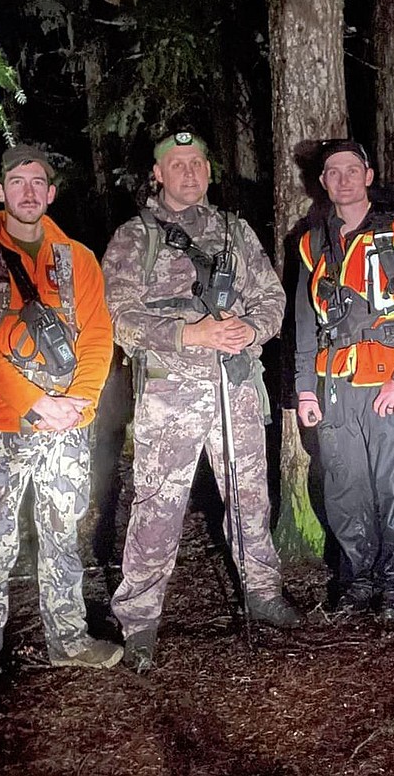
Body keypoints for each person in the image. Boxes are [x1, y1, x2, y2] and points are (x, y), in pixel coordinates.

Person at [102, 130, 300, 672]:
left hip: (236, 385)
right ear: (158, 174)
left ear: (208, 172)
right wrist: (192, 336)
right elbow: (118, 317)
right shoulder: (134, 238)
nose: (189, 173)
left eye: (197, 163)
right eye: (177, 164)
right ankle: (139, 620)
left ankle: (262, 592)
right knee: (157, 507)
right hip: (171, 393)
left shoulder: (234, 232)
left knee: (250, 496)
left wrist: (250, 330)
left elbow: (273, 298)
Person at [0, 144, 120, 721]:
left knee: (61, 535)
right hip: (0, 427)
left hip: (68, 425)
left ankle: (68, 640)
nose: (26, 191)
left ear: (50, 194)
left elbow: (97, 338)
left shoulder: (79, 259)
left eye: (37, 182)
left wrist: (80, 401)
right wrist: (34, 402)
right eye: (15, 181)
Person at [294, 139, 394, 625]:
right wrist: (305, 388)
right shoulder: (312, 241)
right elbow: (301, 322)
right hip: (334, 386)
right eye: (332, 172)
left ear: (369, 175)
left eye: (352, 170)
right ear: (323, 182)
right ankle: (358, 579)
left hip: (387, 383)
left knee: (393, 484)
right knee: (345, 486)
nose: (343, 179)